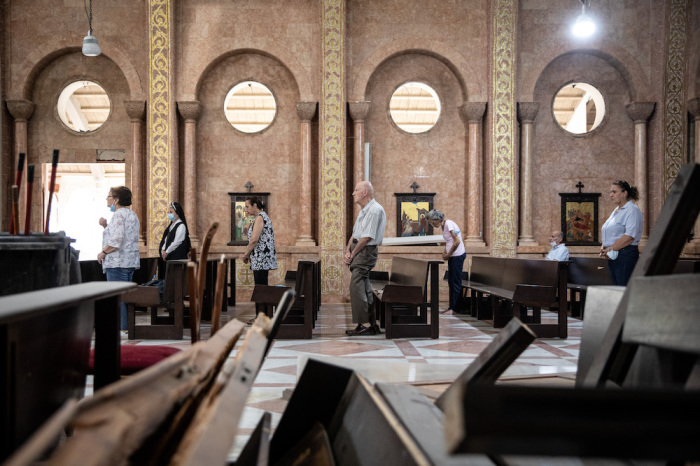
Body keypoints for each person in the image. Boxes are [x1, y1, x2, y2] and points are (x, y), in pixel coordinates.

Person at [344, 181, 386, 336]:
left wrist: (353, 253)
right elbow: (355, 234)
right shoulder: (363, 210)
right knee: (363, 286)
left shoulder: (374, 210)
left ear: (365, 192)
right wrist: (347, 250)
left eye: (356, 190)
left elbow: (367, 237)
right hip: (359, 250)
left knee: (356, 287)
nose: (353, 193)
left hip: (365, 251)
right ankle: (371, 324)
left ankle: (365, 324)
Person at [98, 186, 140, 333]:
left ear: (116, 200)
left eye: (109, 196)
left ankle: (122, 329)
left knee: (118, 297)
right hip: (129, 261)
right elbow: (125, 237)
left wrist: (103, 252)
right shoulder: (132, 215)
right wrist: (106, 226)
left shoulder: (118, 215)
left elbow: (116, 240)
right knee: (126, 297)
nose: (107, 198)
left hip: (117, 262)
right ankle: (127, 327)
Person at [600, 180, 643, 286]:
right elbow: (610, 231)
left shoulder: (632, 209)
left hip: (625, 254)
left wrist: (610, 248)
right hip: (614, 253)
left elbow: (630, 236)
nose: (611, 195)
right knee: (617, 290)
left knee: (623, 290)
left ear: (625, 193)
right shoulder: (616, 210)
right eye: (610, 192)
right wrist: (604, 247)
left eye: (614, 192)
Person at [427, 210, 466, 313]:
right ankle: (451, 307)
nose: (432, 224)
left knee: (455, 282)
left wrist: (449, 254)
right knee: (451, 281)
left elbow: (457, 241)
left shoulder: (449, 224)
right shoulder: (442, 226)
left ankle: (455, 308)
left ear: (438, 219)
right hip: (452, 256)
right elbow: (449, 241)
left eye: (432, 222)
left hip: (457, 255)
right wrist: (444, 252)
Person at [241, 196, 277, 285]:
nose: (245, 210)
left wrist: (246, 254)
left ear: (254, 205)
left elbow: (254, 240)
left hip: (260, 261)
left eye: (247, 206)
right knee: (262, 289)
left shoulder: (260, 217)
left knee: (260, 290)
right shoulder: (262, 216)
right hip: (261, 260)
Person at [158, 201, 191, 278]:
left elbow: (177, 241)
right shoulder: (171, 226)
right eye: (168, 212)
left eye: (171, 212)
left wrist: (167, 251)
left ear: (177, 213)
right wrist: (163, 250)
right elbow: (166, 239)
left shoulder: (181, 226)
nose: (169, 214)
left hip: (177, 258)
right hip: (169, 258)